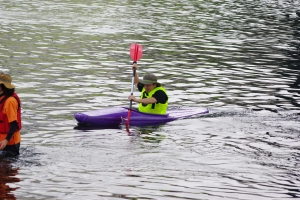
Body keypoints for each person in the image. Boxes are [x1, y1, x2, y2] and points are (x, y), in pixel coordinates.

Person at [0, 72, 22, 156]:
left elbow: (14, 124)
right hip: (2, 142)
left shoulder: (10, 101)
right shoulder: (2, 98)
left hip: (10, 143)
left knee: (7, 167)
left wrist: (6, 140)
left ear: (2, 87)